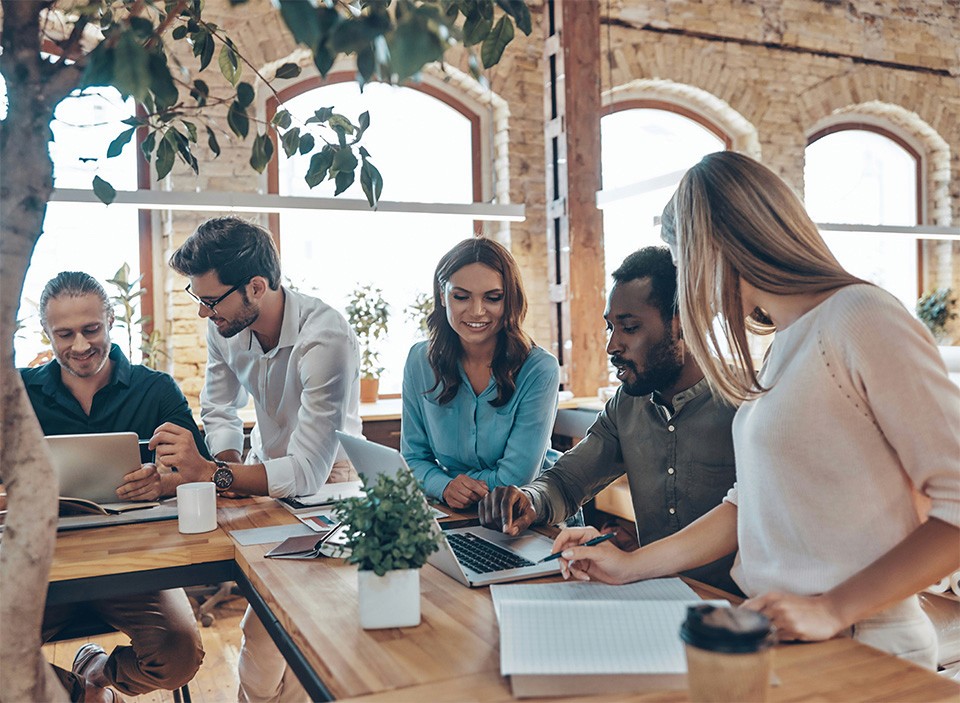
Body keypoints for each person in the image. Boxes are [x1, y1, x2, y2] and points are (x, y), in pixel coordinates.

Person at [552, 151, 960, 668]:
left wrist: (833, 608)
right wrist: (629, 566)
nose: (692, 287)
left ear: (716, 248)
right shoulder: (785, 344)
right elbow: (748, 504)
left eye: (686, 263)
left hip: (861, 641)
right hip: (778, 630)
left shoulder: (860, 316)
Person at [164, 216, 363, 703]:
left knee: (275, 631)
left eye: (210, 300)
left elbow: (309, 472)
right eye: (198, 298)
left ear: (257, 286)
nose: (204, 314)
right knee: (277, 624)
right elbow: (219, 408)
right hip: (259, 476)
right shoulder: (226, 325)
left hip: (332, 483)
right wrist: (228, 468)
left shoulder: (326, 338)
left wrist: (216, 473)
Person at [478, 247, 740, 593]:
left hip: (737, 608)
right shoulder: (626, 405)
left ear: (681, 324)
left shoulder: (745, 405)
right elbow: (568, 481)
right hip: (652, 593)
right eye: (610, 328)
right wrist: (529, 500)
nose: (612, 345)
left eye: (629, 328)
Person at [19, 271, 205, 702]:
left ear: (112, 321)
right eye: (65, 334)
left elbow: (201, 473)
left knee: (179, 655)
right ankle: (83, 693)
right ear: (46, 333)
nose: (81, 346)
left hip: (136, 567)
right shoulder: (20, 394)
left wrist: (164, 482)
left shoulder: (154, 390)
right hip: (41, 570)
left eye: (91, 329)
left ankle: (101, 671)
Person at [402, 237, 561, 509]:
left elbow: (516, 478)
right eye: (461, 297)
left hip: (529, 515)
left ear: (509, 299)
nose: (477, 311)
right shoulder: (420, 361)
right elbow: (412, 459)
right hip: (457, 514)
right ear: (443, 296)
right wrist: (446, 486)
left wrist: (447, 482)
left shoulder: (539, 369)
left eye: (493, 297)